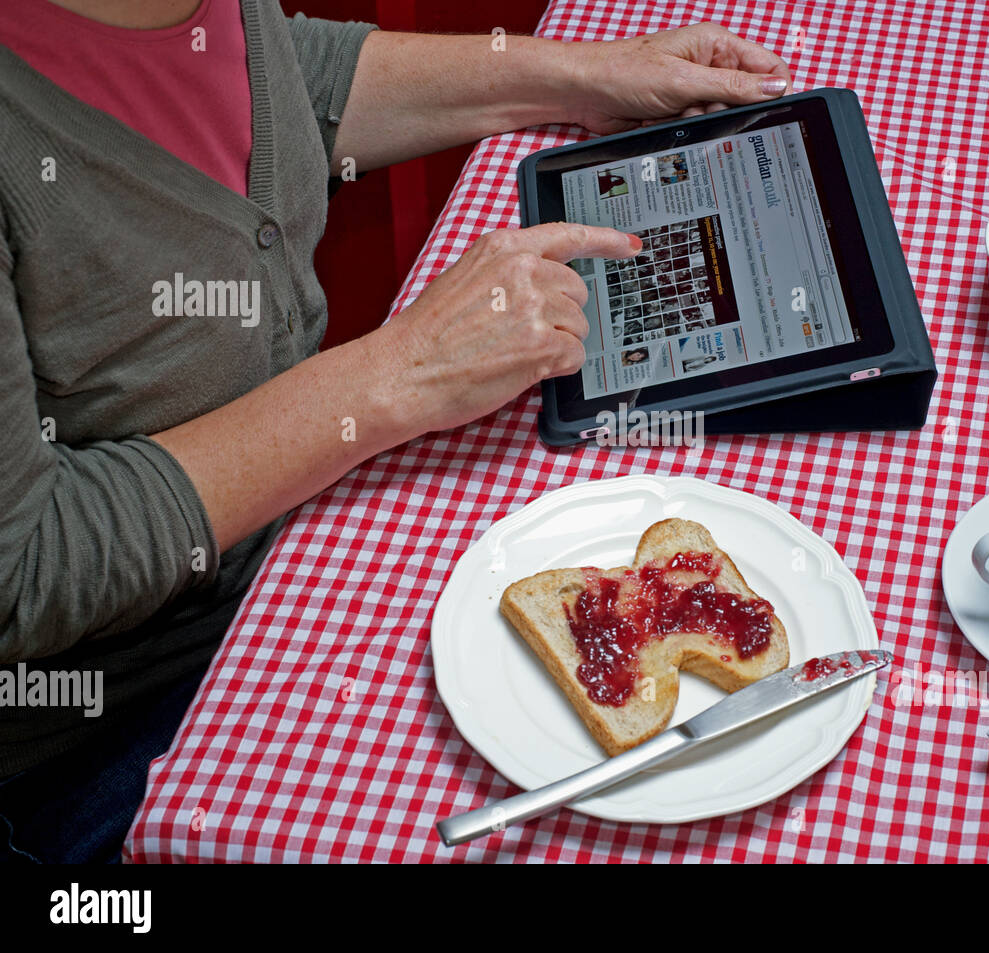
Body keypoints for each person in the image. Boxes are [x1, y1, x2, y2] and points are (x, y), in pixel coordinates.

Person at [0, 0, 792, 862]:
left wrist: (582, 75)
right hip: (123, 729)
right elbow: (26, 570)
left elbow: (271, 75)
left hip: (303, 540)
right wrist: (399, 372)